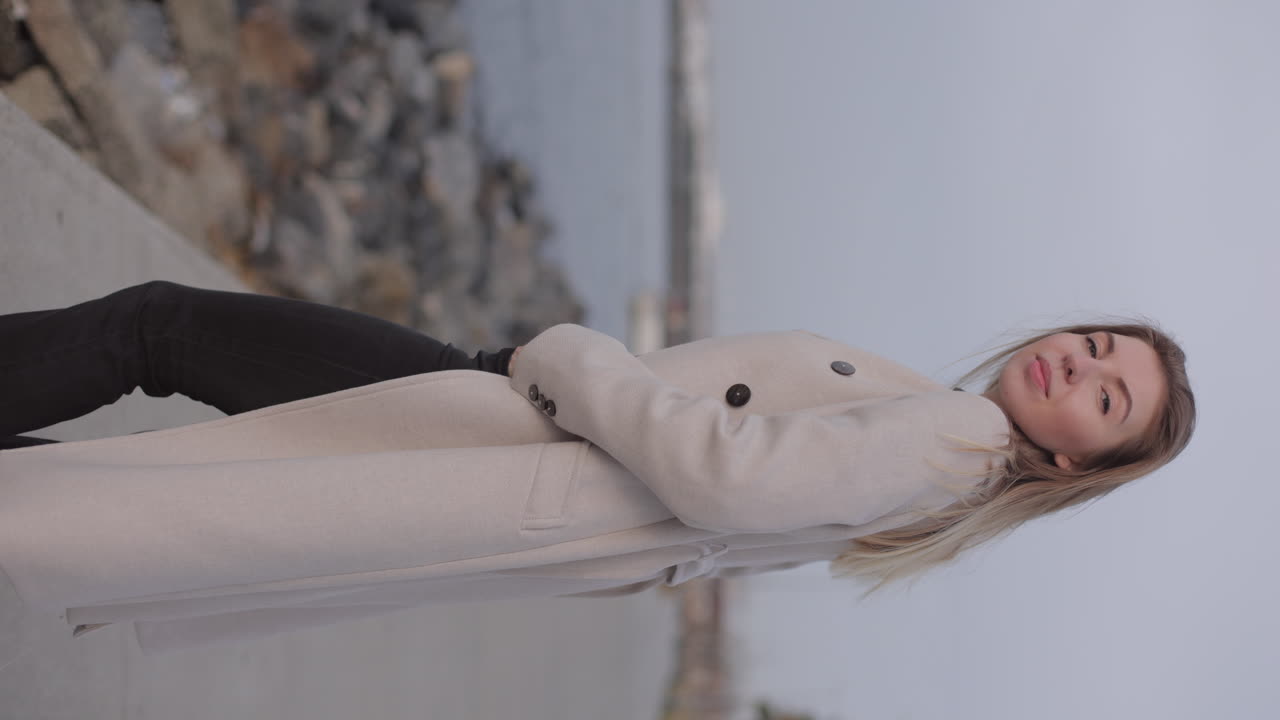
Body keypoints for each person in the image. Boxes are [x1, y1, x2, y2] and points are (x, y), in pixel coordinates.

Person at [0, 280, 1196, 654]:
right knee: (155, 483)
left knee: (157, 332)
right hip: (496, 453)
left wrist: (570, 357)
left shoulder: (957, 436)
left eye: (1105, 397)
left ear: (1073, 459)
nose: (1078, 365)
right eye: (1095, 345)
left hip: (502, 432)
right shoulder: (947, 465)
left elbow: (732, 482)